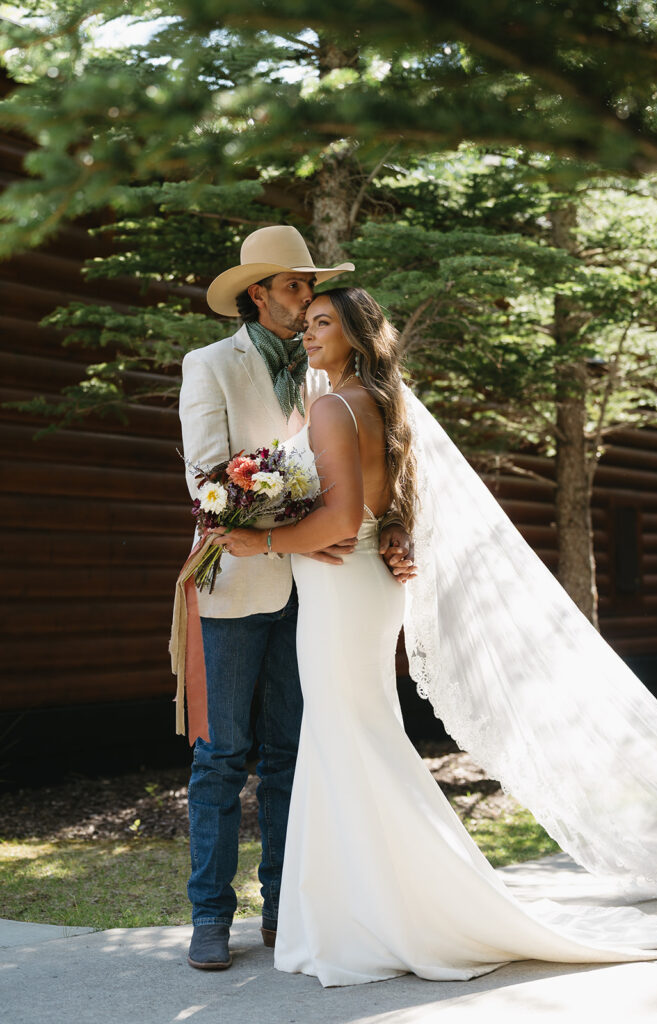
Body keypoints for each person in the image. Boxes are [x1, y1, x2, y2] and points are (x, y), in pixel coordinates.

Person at [213, 286, 657, 986]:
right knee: (348, 739)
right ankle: (358, 911)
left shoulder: (334, 406)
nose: (308, 335)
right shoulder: (373, 404)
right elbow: (380, 505)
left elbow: (340, 524)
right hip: (357, 586)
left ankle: (405, 914)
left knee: (351, 738)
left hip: (343, 588)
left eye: (322, 325)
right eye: (305, 323)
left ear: (355, 337)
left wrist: (260, 540)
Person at [177, 227, 415, 971]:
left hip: (321, 592)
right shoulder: (210, 365)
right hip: (240, 578)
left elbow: (372, 466)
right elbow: (205, 481)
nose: (306, 300)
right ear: (259, 292)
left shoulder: (327, 371)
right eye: (292, 287)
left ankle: (285, 909)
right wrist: (296, 533)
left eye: (311, 291)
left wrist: (393, 528)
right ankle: (211, 919)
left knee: (289, 753)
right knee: (221, 757)